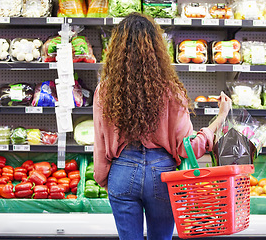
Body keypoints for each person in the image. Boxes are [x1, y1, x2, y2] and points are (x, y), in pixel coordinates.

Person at [93, 12, 232, 240]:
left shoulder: (105, 91)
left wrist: (105, 179)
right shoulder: (170, 91)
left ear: (117, 49)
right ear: (157, 48)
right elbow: (189, 147)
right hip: (163, 175)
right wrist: (220, 118)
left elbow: (99, 143)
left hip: (121, 170)